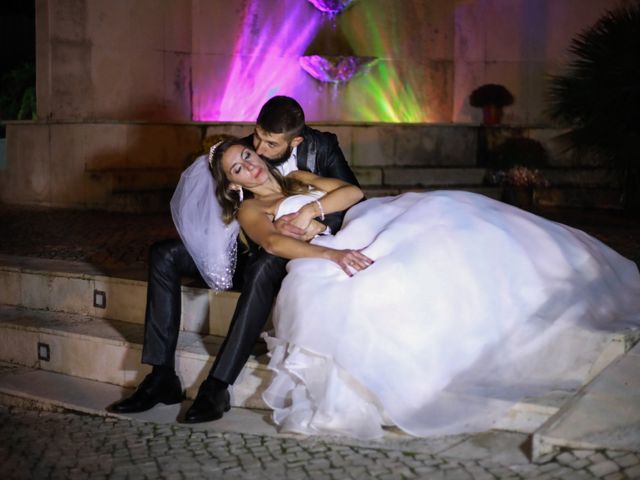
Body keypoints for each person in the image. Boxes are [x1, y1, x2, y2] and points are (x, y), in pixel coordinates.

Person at [209, 137, 640, 439]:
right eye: (238, 167)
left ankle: (556, 273)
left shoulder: (299, 179)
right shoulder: (252, 208)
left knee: (445, 207)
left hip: (361, 223)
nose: (251, 164)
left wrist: (311, 210)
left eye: (248, 154)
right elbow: (272, 242)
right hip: (327, 253)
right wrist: (331, 255)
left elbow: (352, 193)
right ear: (233, 183)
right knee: (394, 274)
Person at [108, 96, 360, 423]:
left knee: (264, 265)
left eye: (269, 144)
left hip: (286, 251)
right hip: (247, 243)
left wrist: (314, 219)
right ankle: (161, 376)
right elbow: (226, 208)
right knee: (163, 253)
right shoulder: (241, 154)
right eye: (255, 139)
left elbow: (353, 195)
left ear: (295, 141)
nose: (258, 150)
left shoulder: (317, 152)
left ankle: (217, 385)